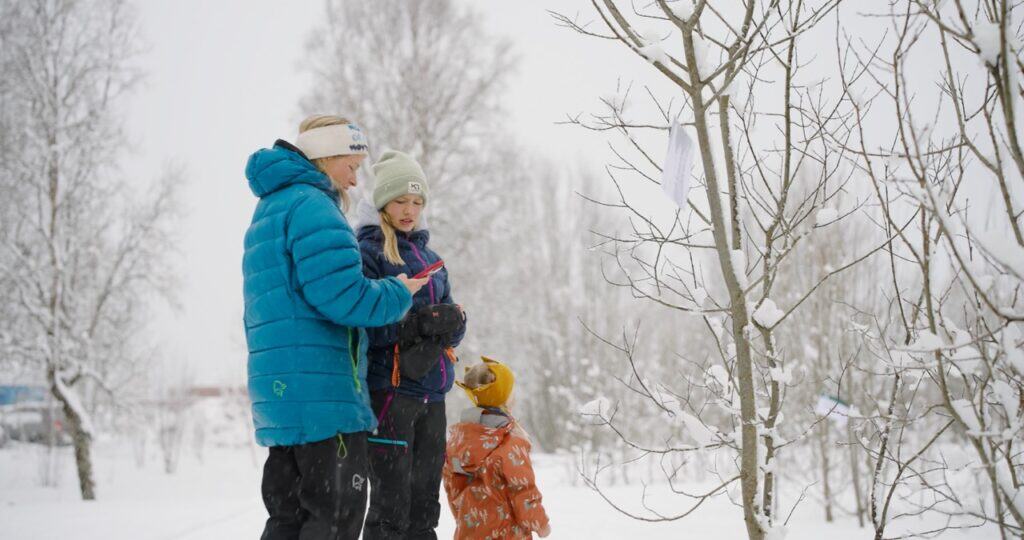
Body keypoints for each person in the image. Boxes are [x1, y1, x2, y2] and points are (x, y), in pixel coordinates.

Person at [242, 115, 427, 540]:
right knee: (336, 520)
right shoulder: (313, 207)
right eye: (353, 164)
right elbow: (343, 296)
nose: (356, 177)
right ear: (328, 156)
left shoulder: (270, 207)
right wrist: (398, 292)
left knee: (288, 521)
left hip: (284, 396)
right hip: (324, 401)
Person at [357, 150, 467, 539]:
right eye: (401, 200)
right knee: (390, 506)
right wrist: (417, 324)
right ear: (383, 202)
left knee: (424, 506)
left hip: (432, 393)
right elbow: (365, 323)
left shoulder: (433, 259)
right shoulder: (367, 253)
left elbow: (450, 329)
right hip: (391, 392)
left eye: (417, 202)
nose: (410, 210)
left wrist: (455, 322)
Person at [443, 357, 551, 539]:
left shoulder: (458, 441)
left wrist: (469, 519)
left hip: (470, 532)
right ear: (504, 397)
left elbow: (452, 487)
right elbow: (523, 490)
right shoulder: (510, 442)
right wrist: (540, 524)